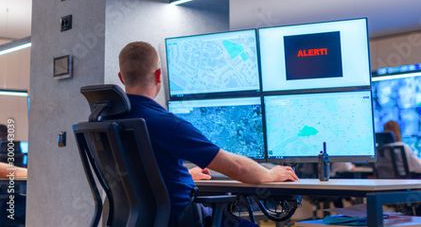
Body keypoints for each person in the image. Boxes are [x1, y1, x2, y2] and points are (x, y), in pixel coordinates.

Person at [115, 42, 298, 222]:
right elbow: (236, 167)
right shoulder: (165, 123)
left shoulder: (108, 121)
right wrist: (270, 174)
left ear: (121, 78)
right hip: (180, 219)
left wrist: (184, 176)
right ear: (158, 75)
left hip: (130, 220)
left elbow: (138, 175)